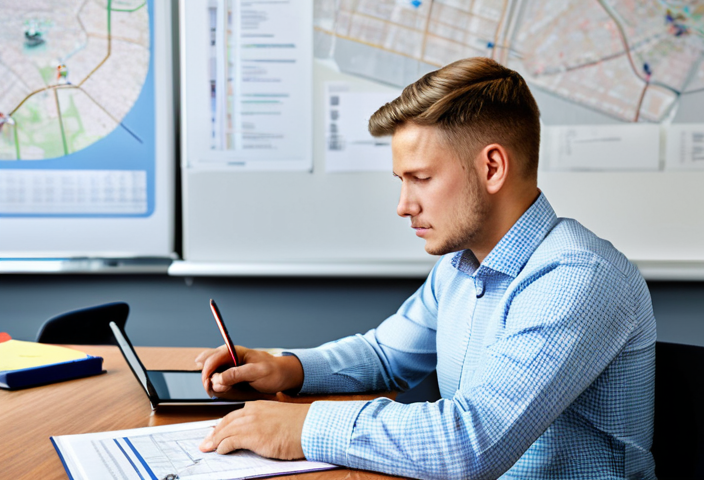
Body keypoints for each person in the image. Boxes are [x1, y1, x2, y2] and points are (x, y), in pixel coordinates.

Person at [195, 57, 656, 480]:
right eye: (401, 181)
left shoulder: (577, 277)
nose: (403, 206)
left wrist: (304, 427)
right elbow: (384, 355)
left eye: (420, 178)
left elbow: (470, 443)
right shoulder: (462, 264)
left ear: (492, 167)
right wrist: (287, 368)